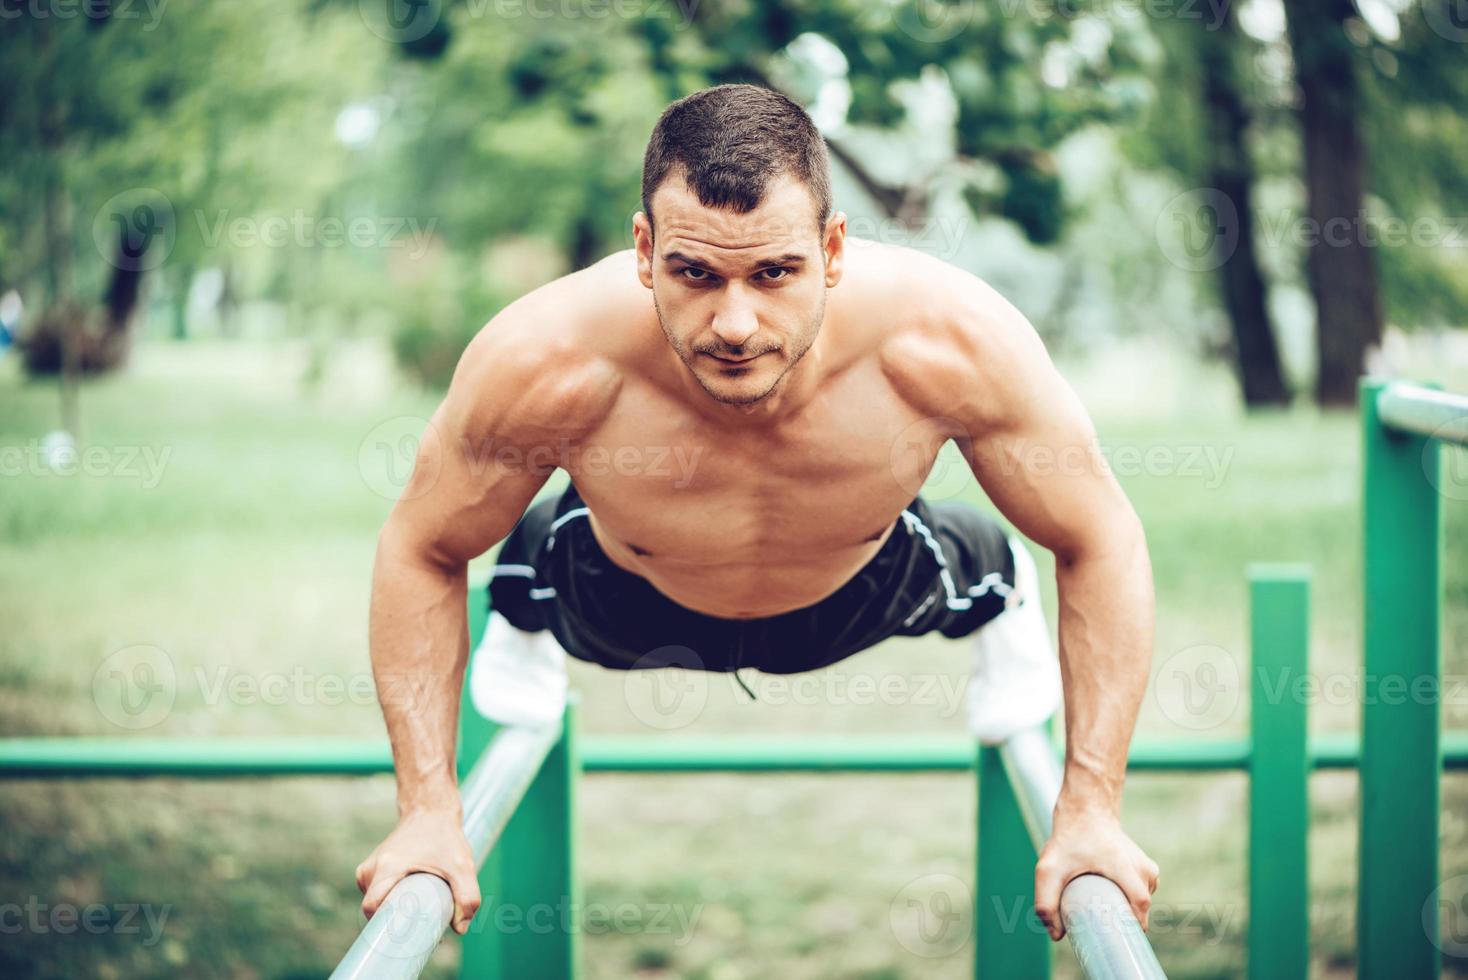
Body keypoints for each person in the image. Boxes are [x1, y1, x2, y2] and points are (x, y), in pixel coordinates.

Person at [355, 83, 1159, 946]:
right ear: (643, 248)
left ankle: (1002, 619)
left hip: (861, 591)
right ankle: (523, 628)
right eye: (695, 273)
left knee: (986, 557)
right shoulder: (549, 357)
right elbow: (423, 547)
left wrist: (1091, 805)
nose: (734, 324)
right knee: (523, 546)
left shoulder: (947, 340)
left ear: (835, 248)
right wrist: (428, 805)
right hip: (619, 600)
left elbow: (1100, 535)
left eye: (775, 273)